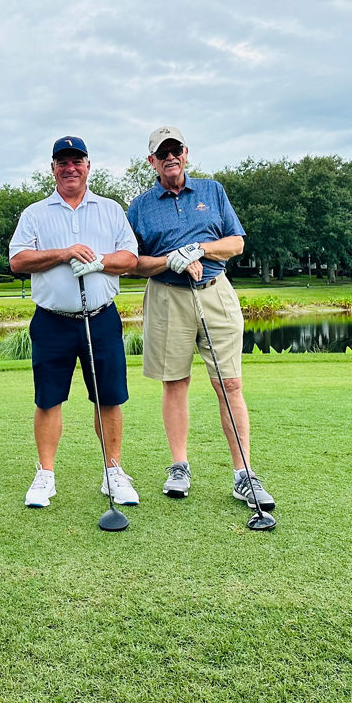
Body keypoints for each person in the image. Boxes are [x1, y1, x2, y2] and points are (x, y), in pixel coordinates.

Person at [126, 126, 275, 511]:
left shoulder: (212, 191)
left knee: (231, 384)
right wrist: (170, 259)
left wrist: (198, 249)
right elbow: (132, 263)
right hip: (166, 296)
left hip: (215, 292)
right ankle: (179, 467)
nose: (170, 157)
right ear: (152, 161)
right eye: (163, 153)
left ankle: (244, 475)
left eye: (176, 149)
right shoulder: (140, 206)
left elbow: (236, 243)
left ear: (186, 153)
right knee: (175, 384)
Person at [9, 136, 139, 509]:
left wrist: (100, 261)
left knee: (109, 398)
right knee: (48, 399)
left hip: (100, 318)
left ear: (87, 166)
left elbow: (130, 257)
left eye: (76, 161)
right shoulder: (35, 213)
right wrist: (63, 253)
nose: (70, 168)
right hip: (52, 320)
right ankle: (45, 475)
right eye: (62, 162)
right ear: (52, 168)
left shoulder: (110, 209)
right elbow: (18, 261)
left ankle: (113, 473)